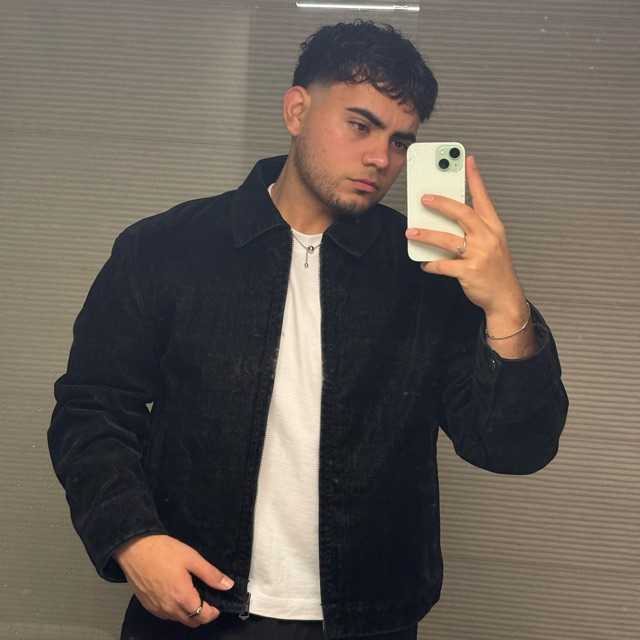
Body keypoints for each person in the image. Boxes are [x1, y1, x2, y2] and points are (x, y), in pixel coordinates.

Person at [47, 19, 569, 640]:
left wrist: (506, 306)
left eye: (401, 141)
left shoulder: (426, 277)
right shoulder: (166, 248)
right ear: (297, 110)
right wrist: (132, 539)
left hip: (371, 619)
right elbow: (92, 409)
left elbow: (513, 448)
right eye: (360, 125)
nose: (381, 158)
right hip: (197, 607)